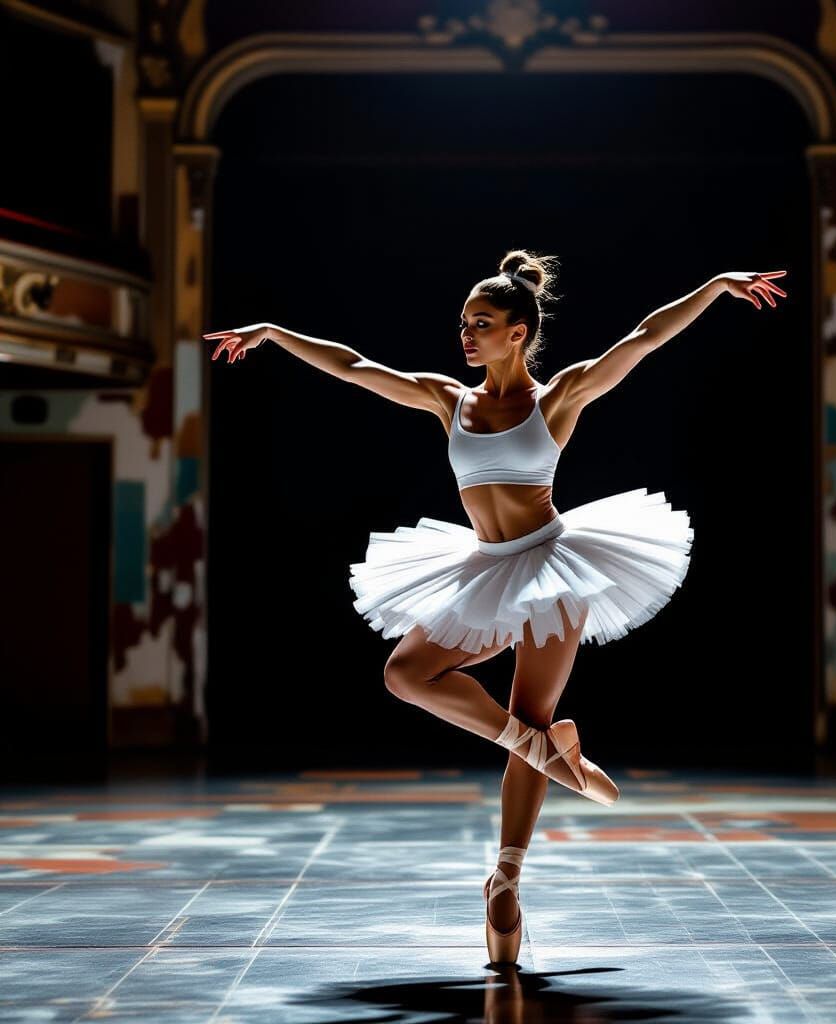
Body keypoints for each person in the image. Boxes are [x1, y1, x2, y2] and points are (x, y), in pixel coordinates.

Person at [203, 249, 787, 964]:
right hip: (479, 569)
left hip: (552, 567)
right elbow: (355, 368)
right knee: (405, 674)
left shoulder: (559, 398)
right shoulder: (450, 399)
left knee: (531, 709)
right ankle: (543, 752)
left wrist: (716, 287)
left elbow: (644, 337)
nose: (466, 333)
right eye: (462, 322)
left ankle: (505, 880)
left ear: (518, 331)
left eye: (480, 322)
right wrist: (274, 332)